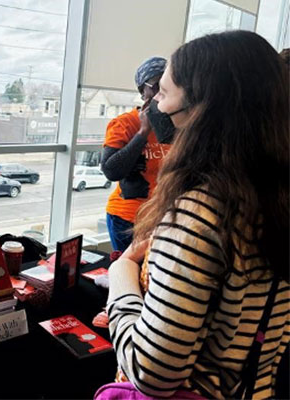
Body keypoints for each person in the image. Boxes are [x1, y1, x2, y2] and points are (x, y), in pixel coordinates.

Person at [106, 31, 289, 399]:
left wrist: (121, 277)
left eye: (164, 92)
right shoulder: (272, 198)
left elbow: (151, 372)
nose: (156, 101)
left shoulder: (201, 212)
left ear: (200, 106)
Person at [101, 57, 171, 252]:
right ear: (143, 91)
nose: (162, 93)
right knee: (130, 276)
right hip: (128, 219)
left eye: (169, 86)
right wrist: (143, 132)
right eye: (157, 86)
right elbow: (111, 170)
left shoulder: (175, 124)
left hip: (162, 217)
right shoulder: (125, 123)